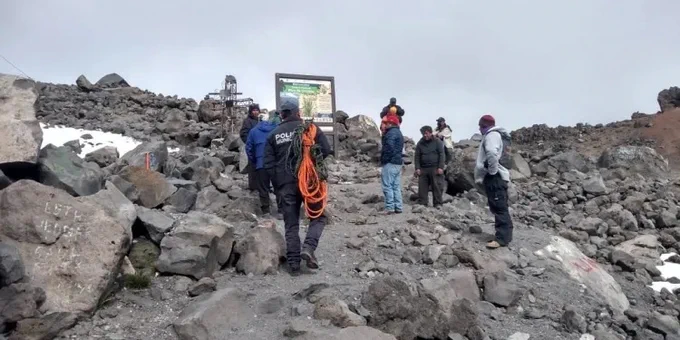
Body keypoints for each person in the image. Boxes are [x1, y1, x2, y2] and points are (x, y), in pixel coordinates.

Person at [264, 97, 332, 276]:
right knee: (319, 216)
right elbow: (325, 149)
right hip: (309, 182)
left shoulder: (273, 135)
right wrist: (312, 165)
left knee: (291, 223)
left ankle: (294, 265)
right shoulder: (311, 130)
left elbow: (268, 164)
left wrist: (278, 184)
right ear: (297, 113)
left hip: (285, 185)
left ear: (283, 115)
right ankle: (308, 247)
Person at [474, 114, 514, 249]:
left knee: (499, 207)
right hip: (499, 176)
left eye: (481, 126)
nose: (479, 129)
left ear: (485, 126)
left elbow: (491, 153)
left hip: (495, 177)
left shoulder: (492, 136)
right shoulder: (498, 135)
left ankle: (501, 239)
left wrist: (491, 171)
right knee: (500, 206)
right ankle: (505, 236)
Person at [246, 113, 282, 216]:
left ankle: (266, 211)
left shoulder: (253, 131)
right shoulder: (276, 130)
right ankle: (281, 210)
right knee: (278, 187)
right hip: (275, 163)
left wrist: (255, 161)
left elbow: (249, 148)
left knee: (263, 188)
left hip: (261, 164)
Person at [414, 125, 445, 207]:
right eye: (423, 133)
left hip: (435, 167)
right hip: (423, 168)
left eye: (426, 133)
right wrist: (417, 168)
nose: (425, 135)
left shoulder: (437, 141)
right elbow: (417, 156)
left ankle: (438, 203)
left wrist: (440, 167)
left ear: (431, 133)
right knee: (422, 187)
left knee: (437, 186)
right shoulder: (420, 143)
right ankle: (423, 202)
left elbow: (442, 154)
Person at [380, 114, 404, 214]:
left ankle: (389, 207)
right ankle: (398, 207)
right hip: (398, 162)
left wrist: (384, 159)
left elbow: (389, 147)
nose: (385, 125)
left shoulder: (390, 133)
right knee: (395, 186)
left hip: (390, 162)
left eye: (387, 123)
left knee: (387, 185)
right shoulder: (399, 133)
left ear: (390, 123)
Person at [240, 104, 261, 191]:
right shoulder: (247, 121)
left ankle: (260, 185)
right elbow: (243, 134)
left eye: (257, 110)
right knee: (252, 166)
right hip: (252, 148)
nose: (255, 112)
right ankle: (253, 187)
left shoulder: (260, 120)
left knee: (260, 167)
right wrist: (250, 144)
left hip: (260, 148)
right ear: (250, 111)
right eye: (254, 110)